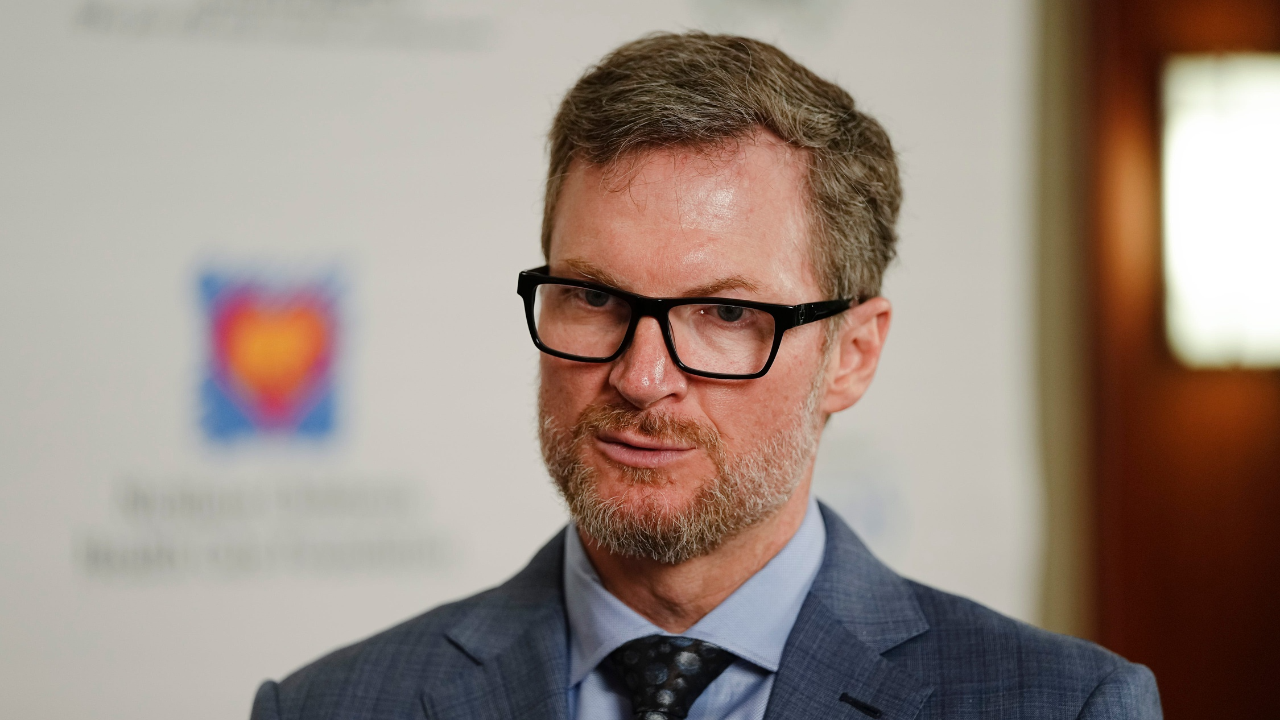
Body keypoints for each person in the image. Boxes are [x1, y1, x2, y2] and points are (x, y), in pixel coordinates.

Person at [250, 32, 1161, 720]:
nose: (642, 378)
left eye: (725, 314)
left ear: (853, 355)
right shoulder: (330, 707)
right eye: (596, 298)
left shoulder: (1063, 706)